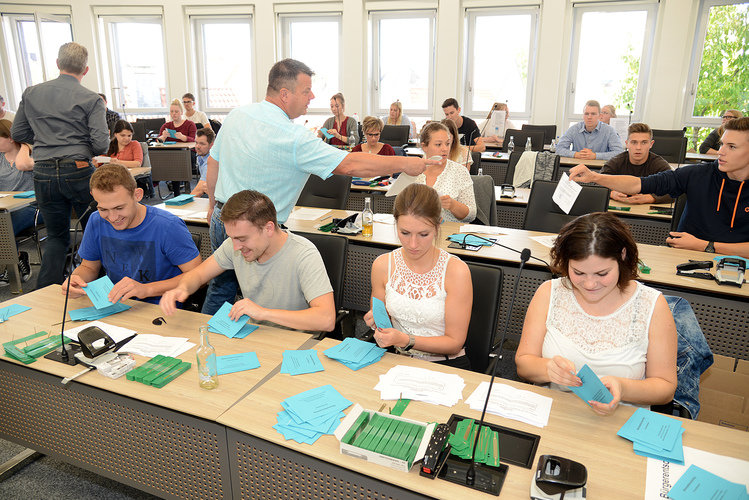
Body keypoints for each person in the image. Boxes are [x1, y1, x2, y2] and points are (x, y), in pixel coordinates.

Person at [203, 58, 433, 315]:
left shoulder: (236, 116)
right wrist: (404, 163)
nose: (312, 96)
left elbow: (214, 162)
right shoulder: (293, 137)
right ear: (285, 94)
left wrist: (213, 206)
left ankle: (210, 343)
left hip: (222, 219)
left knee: (220, 290)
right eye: (306, 91)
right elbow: (350, 166)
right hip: (260, 232)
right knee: (266, 302)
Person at [515, 213, 677, 415]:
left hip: (620, 421)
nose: (590, 284)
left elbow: (665, 387)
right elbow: (523, 362)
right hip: (554, 415)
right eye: (579, 273)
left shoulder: (651, 305)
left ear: (623, 255)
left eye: (602, 274)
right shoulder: (549, 292)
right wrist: (548, 369)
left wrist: (623, 387)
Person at [569, 117, 749, 257]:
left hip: (735, 265)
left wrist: (706, 246)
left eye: (732, 147)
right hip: (685, 258)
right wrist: (594, 177)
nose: (720, 152)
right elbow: (639, 184)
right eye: (722, 144)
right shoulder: (696, 174)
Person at [160, 189, 335, 332]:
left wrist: (263, 313)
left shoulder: (304, 254)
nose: (236, 247)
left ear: (268, 228)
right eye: (232, 238)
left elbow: (326, 319)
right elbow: (198, 275)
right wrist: (182, 288)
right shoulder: (234, 244)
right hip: (254, 336)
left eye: (242, 239)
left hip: (297, 344)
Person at [11, 42, 109, 288]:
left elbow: (18, 131)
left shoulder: (31, 92)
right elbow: (100, 145)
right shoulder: (91, 98)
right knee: (100, 231)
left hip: (42, 169)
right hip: (77, 169)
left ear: (57, 64)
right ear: (85, 70)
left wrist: (47, 143)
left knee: (56, 238)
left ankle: (43, 297)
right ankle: (103, 290)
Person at [364, 183, 472, 369]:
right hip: (397, 360)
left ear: (438, 225)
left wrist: (406, 340)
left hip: (446, 365)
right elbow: (384, 321)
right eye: (404, 233)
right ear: (396, 223)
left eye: (423, 234)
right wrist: (377, 323)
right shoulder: (382, 265)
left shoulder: (456, 271)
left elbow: (454, 343)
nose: (413, 244)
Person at [61, 164, 201, 305]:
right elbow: (89, 267)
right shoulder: (96, 220)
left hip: (161, 309)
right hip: (117, 305)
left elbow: (198, 277)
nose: (113, 217)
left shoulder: (167, 226)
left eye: (119, 208)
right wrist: (76, 279)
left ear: (137, 195)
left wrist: (147, 289)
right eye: (103, 209)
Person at [415, 122, 476, 223]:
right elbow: (400, 208)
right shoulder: (414, 171)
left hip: (450, 233)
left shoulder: (460, 172)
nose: (445, 148)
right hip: (418, 231)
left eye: (447, 143)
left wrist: (453, 205)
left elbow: (472, 215)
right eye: (438, 144)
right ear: (424, 147)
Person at [600, 123, 673, 205]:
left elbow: (674, 189)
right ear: (627, 144)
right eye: (634, 142)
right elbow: (597, 183)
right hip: (619, 209)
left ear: (651, 144)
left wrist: (650, 198)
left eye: (644, 143)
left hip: (646, 212)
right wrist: (611, 193)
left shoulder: (659, 165)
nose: (638, 147)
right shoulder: (616, 162)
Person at [0, 119, 34, 284]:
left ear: (10, 138)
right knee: (3, 221)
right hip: (6, 207)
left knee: (4, 226)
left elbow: (23, 164)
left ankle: (10, 268)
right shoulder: (0, 158)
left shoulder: (30, 154)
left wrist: (25, 146)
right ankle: (19, 257)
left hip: (31, 207)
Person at [556, 100, 624, 160]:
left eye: (593, 114)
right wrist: (576, 154)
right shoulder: (574, 129)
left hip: (600, 170)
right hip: (577, 168)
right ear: (583, 115)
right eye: (586, 114)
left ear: (600, 116)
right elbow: (559, 149)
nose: (589, 117)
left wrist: (595, 156)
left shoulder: (609, 131)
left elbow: (619, 153)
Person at [191, 127, 215, 197]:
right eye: (196, 142)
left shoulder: (211, 160)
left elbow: (199, 191)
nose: (197, 146)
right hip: (210, 189)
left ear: (211, 145)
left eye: (202, 144)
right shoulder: (201, 154)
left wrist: (181, 205)